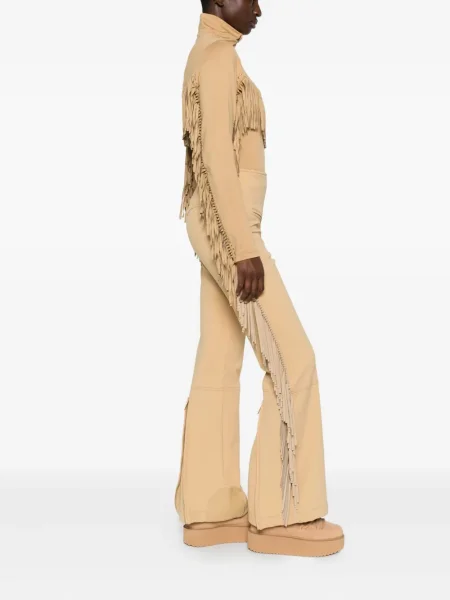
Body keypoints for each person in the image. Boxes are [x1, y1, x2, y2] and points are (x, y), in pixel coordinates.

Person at [175, 0, 345, 557]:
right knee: (294, 358)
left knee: (219, 357)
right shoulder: (217, 59)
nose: (259, 9)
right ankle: (283, 514)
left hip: (217, 221)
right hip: (231, 229)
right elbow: (216, 161)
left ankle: (211, 504)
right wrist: (244, 248)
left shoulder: (210, 53)